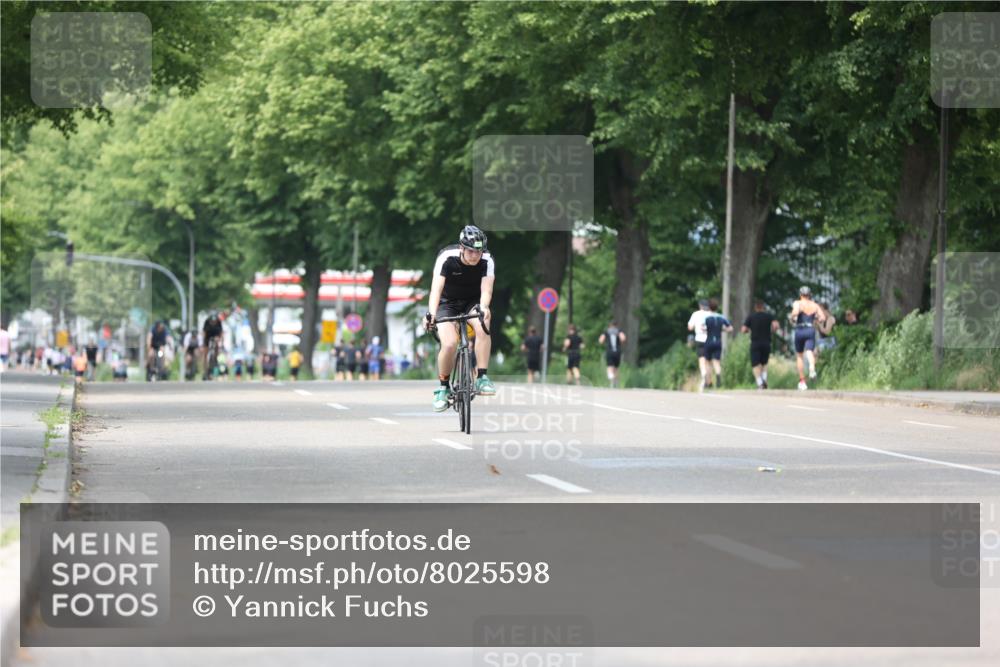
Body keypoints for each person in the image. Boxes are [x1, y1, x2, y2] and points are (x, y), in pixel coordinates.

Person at [424, 224, 497, 412]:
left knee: (484, 323)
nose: (475, 256)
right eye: (471, 251)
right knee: (449, 343)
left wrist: (484, 307)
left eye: (478, 252)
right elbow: (436, 290)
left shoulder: (487, 260)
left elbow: (486, 290)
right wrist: (431, 313)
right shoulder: (447, 258)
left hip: (473, 301)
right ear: (462, 248)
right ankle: (443, 388)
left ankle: (481, 377)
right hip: (447, 304)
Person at [789, 285, 826, 390]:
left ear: (800, 294)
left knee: (800, 355)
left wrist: (791, 317)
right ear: (809, 295)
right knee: (809, 351)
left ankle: (802, 381)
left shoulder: (798, 303)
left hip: (800, 330)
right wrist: (816, 320)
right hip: (810, 330)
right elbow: (823, 318)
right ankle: (812, 368)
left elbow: (795, 312)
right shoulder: (815, 305)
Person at [741, 299, 780, 389]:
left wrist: (748, 330)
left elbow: (743, 330)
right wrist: (773, 330)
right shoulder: (769, 316)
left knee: (755, 364)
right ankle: (765, 380)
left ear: (755, 307)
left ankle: (760, 383)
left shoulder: (751, 317)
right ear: (763, 307)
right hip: (766, 342)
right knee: (764, 363)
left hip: (755, 343)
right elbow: (776, 325)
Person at [700, 299, 733, 389]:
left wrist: (708, 330)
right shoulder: (721, 317)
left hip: (709, 341)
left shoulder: (706, 317)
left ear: (709, 307)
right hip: (718, 342)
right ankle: (718, 377)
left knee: (708, 362)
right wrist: (722, 330)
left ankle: (708, 382)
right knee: (717, 362)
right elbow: (730, 328)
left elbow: (702, 328)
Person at [687, 299, 712, 389]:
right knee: (709, 360)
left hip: (700, 339)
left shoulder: (696, 314)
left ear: (700, 306)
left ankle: (704, 375)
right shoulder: (711, 314)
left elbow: (690, 327)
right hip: (710, 339)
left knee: (701, 360)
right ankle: (709, 380)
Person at [598, 320, 626, 388]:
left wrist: (605, 342)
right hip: (617, 351)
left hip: (609, 351)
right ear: (616, 325)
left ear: (609, 325)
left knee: (610, 366)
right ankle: (615, 383)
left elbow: (600, 341)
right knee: (616, 367)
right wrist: (620, 343)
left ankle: (611, 378)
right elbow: (623, 338)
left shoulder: (606, 331)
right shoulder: (619, 331)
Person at [201, 311, 224, 380]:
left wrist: (221, 342)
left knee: (216, 343)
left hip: (216, 336)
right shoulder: (207, 322)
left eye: (215, 321)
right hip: (208, 336)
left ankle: (215, 357)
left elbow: (221, 333)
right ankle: (205, 370)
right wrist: (203, 343)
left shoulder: (219, 322)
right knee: (205, 354)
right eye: (212, 321)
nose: (213, 322)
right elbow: (204, 333)